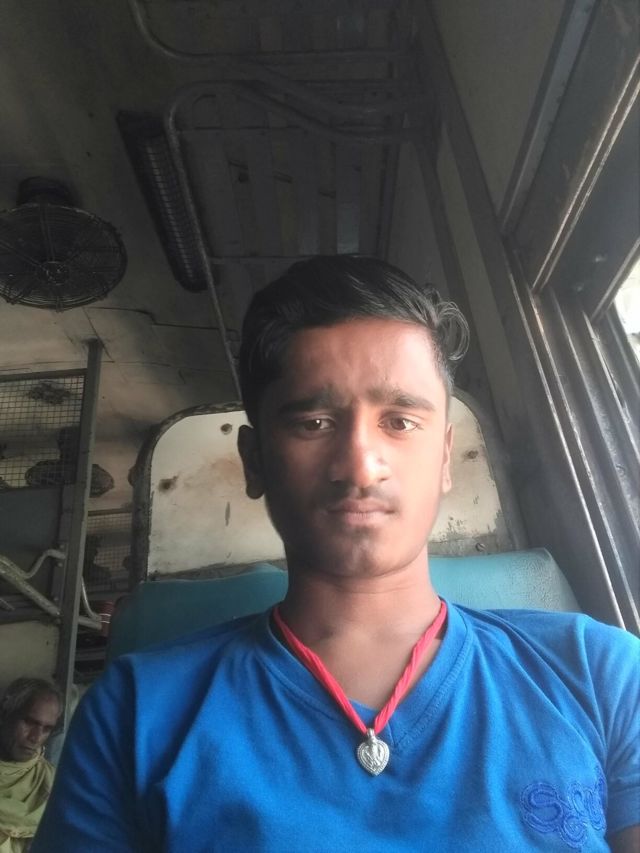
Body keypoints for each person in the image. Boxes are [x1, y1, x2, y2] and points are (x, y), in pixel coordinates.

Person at [34, 257, 639, 851]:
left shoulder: (603, 675)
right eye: (315, 423)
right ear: (254, 461)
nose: (360, 465)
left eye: (400, 422)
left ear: (445, 457)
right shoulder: (133, 714)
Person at [0, 678, 61, 852]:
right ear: (5, 714)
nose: (36, 738)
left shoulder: (52, 784)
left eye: (47, 729)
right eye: (29, 722)